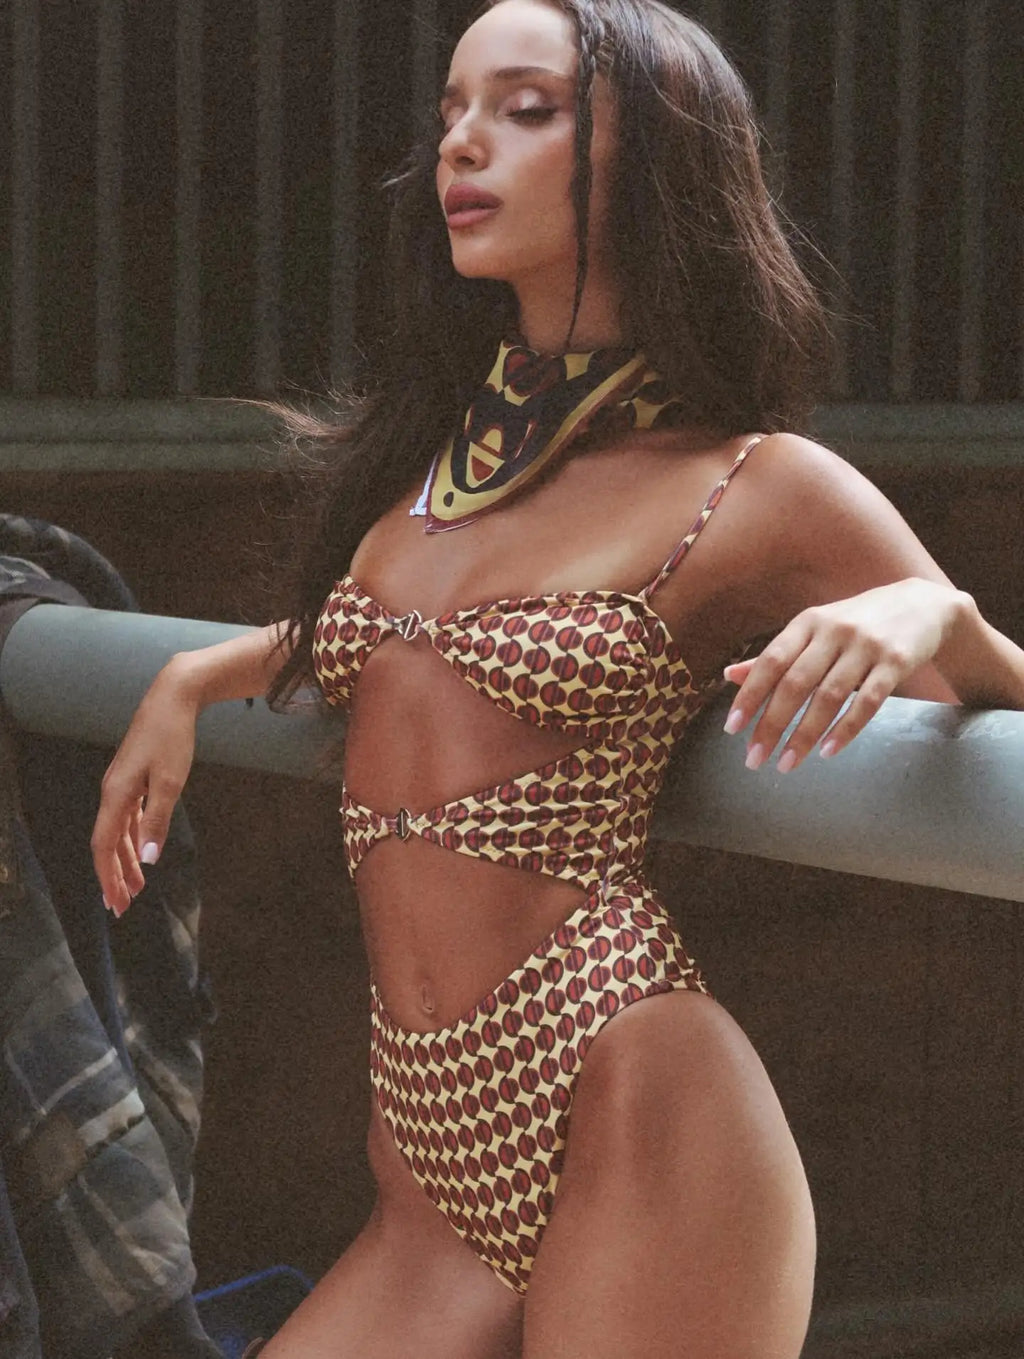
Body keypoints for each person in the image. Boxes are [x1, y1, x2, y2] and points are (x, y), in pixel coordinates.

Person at [91, 1, 1024, 1355]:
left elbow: (1003, 686)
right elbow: (412, 649)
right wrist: (196, 675)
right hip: (427, 1151)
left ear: (654, 159)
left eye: (525, 110)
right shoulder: (447, 464)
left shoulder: (755, 483)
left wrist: (936, 612)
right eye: (453, 111)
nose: (464, 144)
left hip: (631, 1088)